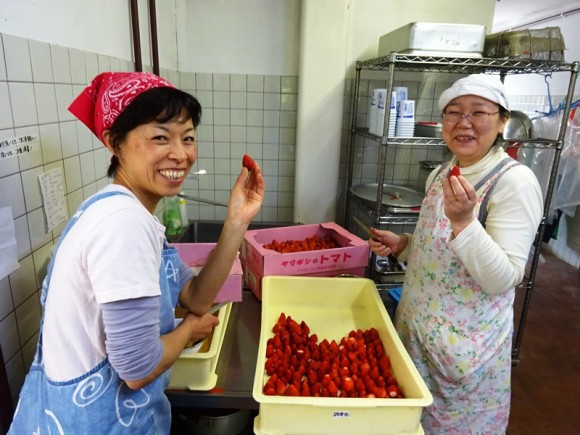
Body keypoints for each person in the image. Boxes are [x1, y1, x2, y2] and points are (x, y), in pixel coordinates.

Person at [8, 72, 265, 434]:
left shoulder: (119, 210)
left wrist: (237, 222)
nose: (180, 153)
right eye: (160, 137)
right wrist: (190, 328)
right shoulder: (123, 224)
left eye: (188, 138)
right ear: (115, 143)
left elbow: (195, 296)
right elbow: (138, 368)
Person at [368, 74, 543, 433]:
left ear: (502, 121)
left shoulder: (513, 182)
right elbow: (436, 250)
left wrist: (465, 221)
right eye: (453, 113)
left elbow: (503, 278)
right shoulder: (441, 173)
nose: (464, 123)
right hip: (416, 337)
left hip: (465, 355)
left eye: (478, 112)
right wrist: (403, 246)